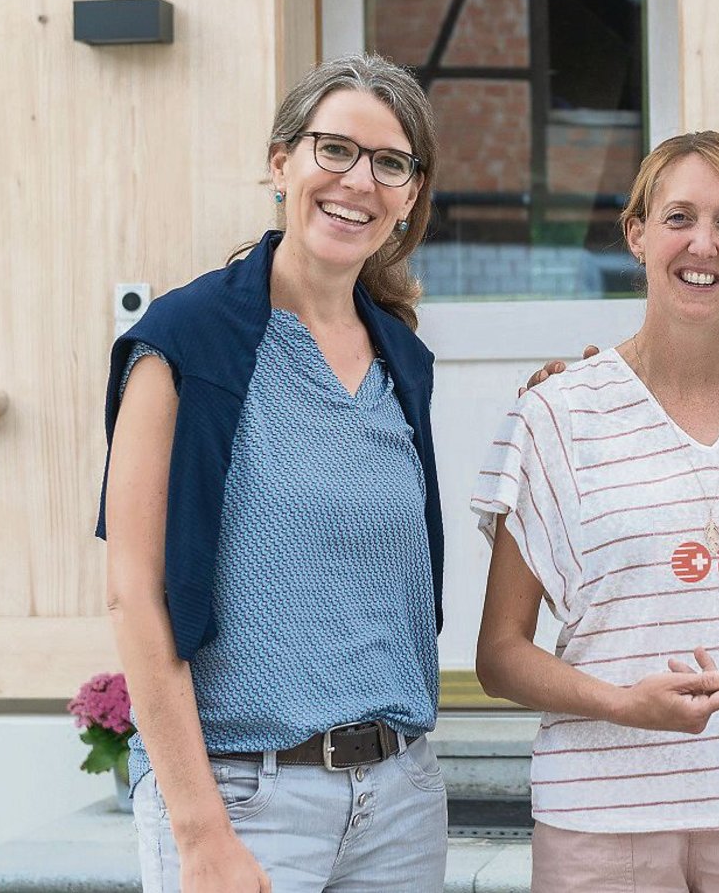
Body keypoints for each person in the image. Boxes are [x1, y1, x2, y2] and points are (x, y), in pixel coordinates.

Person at [471, 131, 719, 892]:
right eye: (679, 216)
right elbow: (499, 654)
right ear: (637, 233)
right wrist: (623, 705)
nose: (704, 243)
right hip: (603, 819)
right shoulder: (557, 413)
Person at [98, 54, 448, 892]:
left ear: (408, 197)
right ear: (280, 161)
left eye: (389, 163)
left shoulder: (404, 358)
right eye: (335, 149)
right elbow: (134, 591)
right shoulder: (185, 342)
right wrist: (198, 828)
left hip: (399, 798)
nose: (358, 181)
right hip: (243, 798)